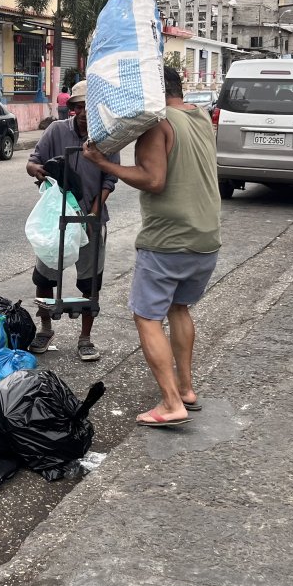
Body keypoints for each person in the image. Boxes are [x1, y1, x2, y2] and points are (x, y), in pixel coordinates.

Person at [82, 66, 221, 427]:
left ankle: (172, 403)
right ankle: (187, 390)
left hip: (168, 241)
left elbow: (153, 180)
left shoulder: (157, 124)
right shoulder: (200, 115)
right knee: (179, 308)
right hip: (206, 238)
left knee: (146, 316)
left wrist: (102, 160)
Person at [26, 79, 120, 362]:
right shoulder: (56, 131)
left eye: (88, 108)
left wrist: (93, 212)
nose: (83, 113)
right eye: (78, 107)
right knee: (44, 276)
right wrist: (38, 170)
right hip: (57, 217)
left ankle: (85, 337)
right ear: (72, 109)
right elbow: (32, 161)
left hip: (91, 217)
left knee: (91, 282)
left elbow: (110, 178)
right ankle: (45, 328)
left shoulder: (107, 138)